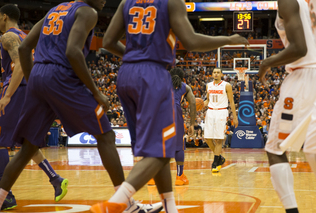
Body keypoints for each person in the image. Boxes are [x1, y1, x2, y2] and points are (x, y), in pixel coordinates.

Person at [0, 1, 162, 213]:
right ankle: (127, 204)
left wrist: (35, 84)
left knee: (28, 147)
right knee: (105, 135)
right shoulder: (86, 11)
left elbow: (26, 47)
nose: (103, 0)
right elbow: (73, 52)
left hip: (39, 76)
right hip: (61, 77)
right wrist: (95, 91)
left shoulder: (54, 10)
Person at [91, 0, 249, 211]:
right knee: (163, 151)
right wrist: (228, 39)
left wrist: (134, 58)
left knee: (157, 149)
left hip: (126, 74)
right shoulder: (172, 2)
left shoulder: (126, 2)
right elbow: (191, 41)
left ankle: (169, 207)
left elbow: (108, 41)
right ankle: (118, 202)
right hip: (153, 75)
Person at [0, 4, 69, 210]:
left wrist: (7, 95)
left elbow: (19, 65)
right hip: (32, 88)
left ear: (4, 17)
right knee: (26, 143)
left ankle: (6, 195)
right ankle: (55, 179)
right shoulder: (25, 35)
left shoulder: (8, 36)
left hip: (18, 89)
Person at [258, 0, 316, 212]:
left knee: (276, 149)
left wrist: (266, 63)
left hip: (304, 78)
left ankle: (292, 210)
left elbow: (300, 48)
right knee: (312, 149)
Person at [147, 67, 196, 186]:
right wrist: (192, 124)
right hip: (175, 113)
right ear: (182, 77)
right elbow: (193, 103)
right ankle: (179, 177)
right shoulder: (185, 87)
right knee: (178, 147)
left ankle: (153, 177)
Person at [203, 68, 238, 173]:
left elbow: (231, 102)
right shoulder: (208, 85)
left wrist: (235, 117)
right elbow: (207, 100)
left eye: (218, 72)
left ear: (221, 74)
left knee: (218, 139)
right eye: (214, 72)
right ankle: (220, 158)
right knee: (207, 138)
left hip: (222, 111)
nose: (216, 74)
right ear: (212, 74)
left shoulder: (227, 85)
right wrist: (197, 104)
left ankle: (214, 163)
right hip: (210, 111)